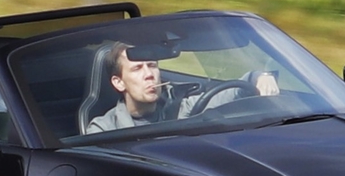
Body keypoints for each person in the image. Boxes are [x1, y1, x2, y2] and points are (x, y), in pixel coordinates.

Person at [82, 41, 280, 134]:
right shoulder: (103, 129)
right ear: (119, 82)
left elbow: (230, 93)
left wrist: (258, 77)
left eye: (152, 65)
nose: (149, 74)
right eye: (137, 69)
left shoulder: (179, 106)